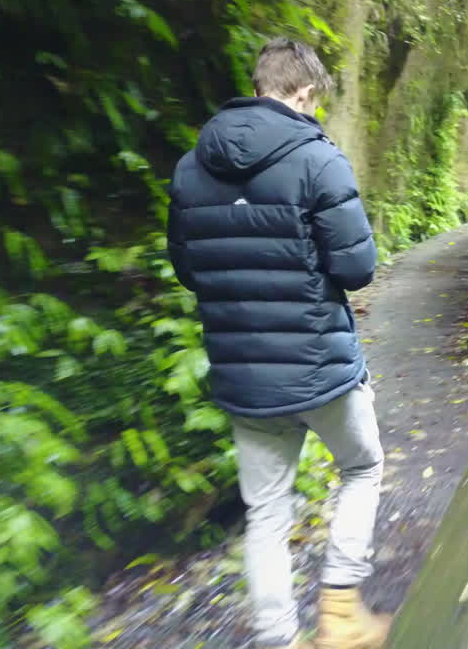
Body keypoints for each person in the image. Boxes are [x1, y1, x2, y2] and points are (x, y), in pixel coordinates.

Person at [167, 38, 390, 649]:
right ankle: (339, 612)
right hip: (320, 367)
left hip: (243, 375)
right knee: (363, 467)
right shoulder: (319, 160)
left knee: (266, 511)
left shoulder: (190, 168)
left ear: (258, 86)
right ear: (306, 93)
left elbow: (189, 269)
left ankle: (276, 638)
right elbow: (357, 268)